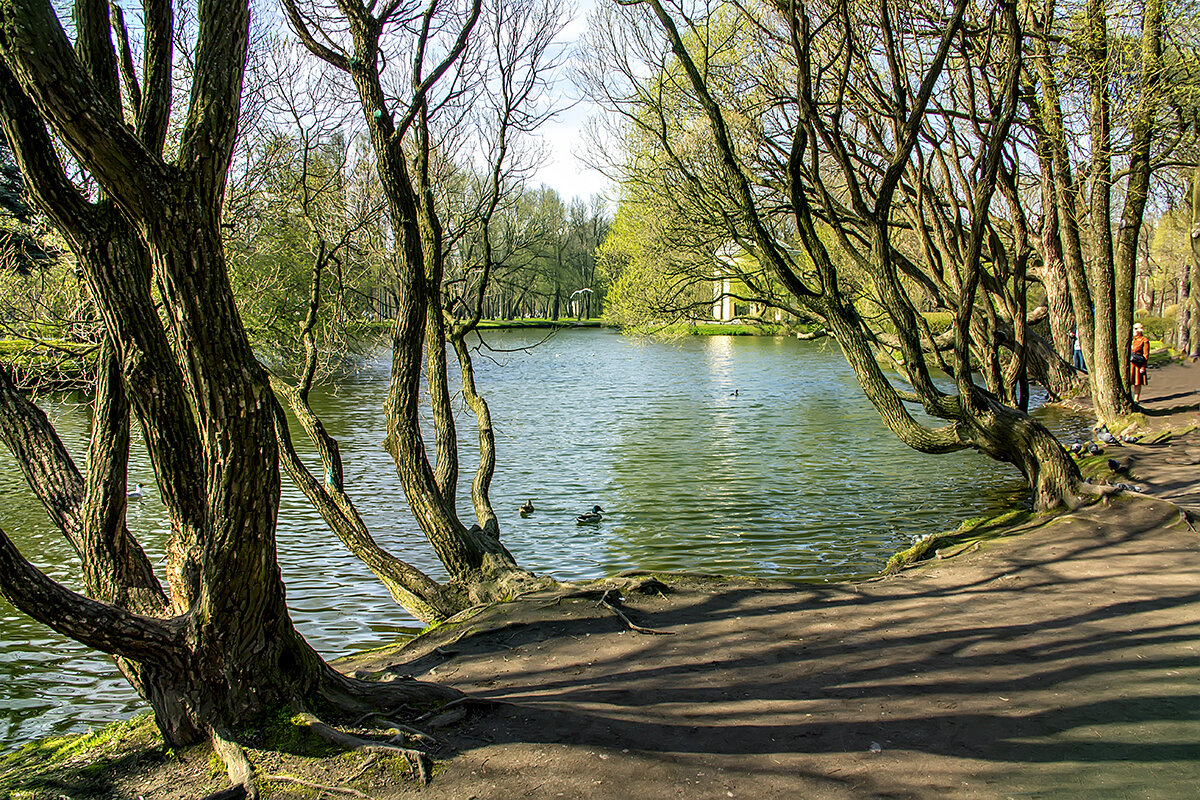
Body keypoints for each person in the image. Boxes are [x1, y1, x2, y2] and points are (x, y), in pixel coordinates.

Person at [1130, 322, 1150, 403]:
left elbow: (1146, 355)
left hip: (1138, 364)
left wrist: (1143, 367)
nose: (1134, 331)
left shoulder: (1144, 340)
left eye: (1136, 329)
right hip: (1130, 363)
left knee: (1137, 382)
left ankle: (1136, 398)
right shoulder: (1131, 339)